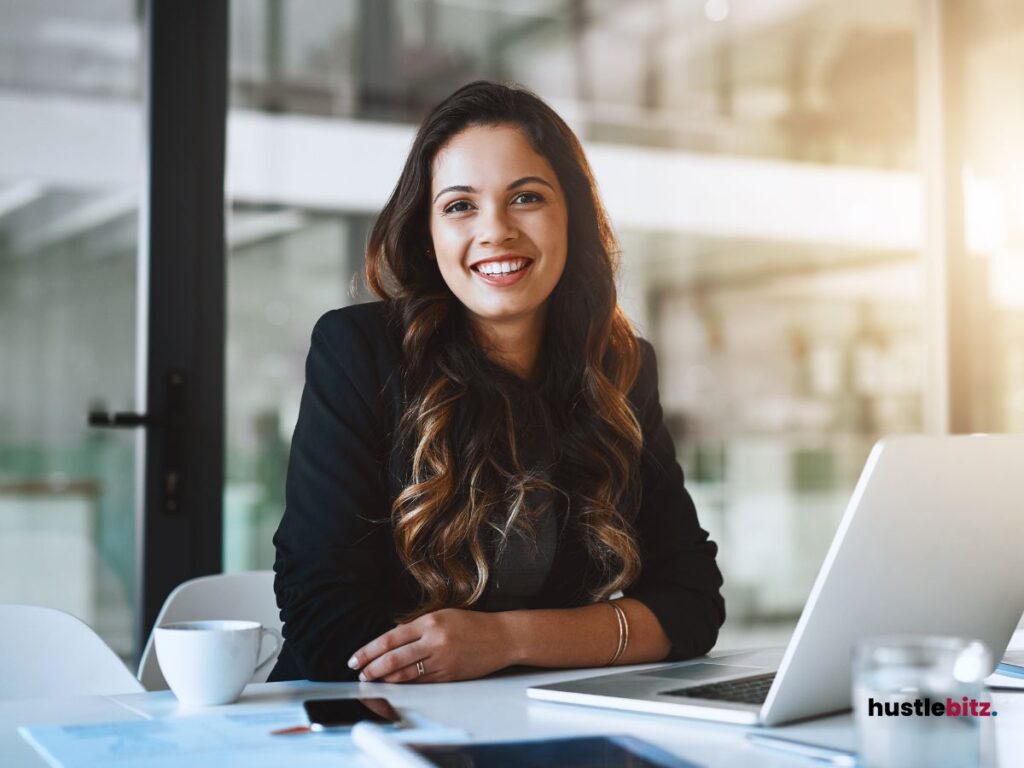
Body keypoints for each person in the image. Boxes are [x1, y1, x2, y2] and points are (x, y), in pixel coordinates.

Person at [269, 81, 724, 684]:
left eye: (526, 198)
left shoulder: (620, 367)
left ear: (573, 218)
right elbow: (326, 626)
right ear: (428, 237)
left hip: (540, 721)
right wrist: (581, 638)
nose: (496, 231)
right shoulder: (358, 351)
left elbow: (691, 604)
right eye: (460, 205)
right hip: (364, 728)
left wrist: (506, 639)